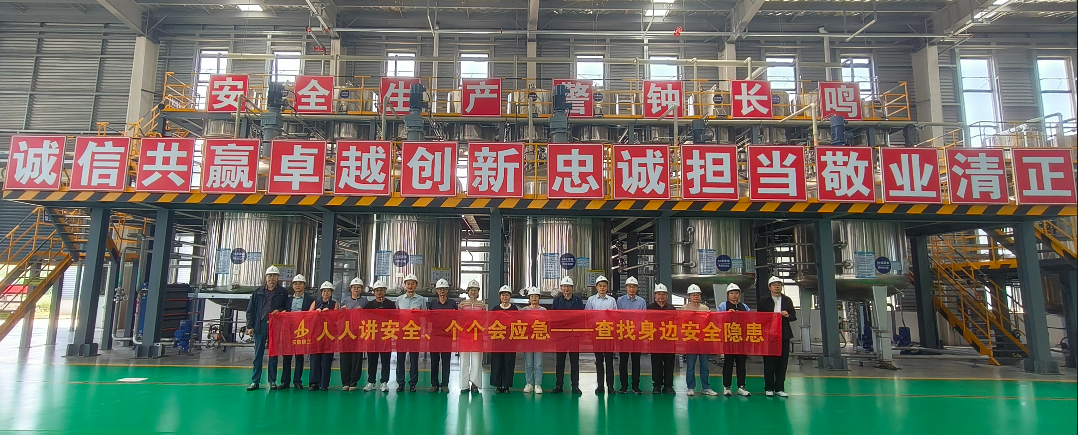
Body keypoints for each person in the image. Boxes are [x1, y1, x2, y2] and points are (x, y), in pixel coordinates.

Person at [246, 266, 288, 391]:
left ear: (278, 278)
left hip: (275, 326)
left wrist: (279, 310)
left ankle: (272, 381)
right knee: (258, 354)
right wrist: (250, 326)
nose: (272, 278)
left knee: (273, 355)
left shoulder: (282, 292)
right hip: (260, 325)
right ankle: (255, 381)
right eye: (270, 276)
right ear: (266, 277)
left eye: (274, 276)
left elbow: (286, 307)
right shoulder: (257, 292)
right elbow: (250, 310)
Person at [758, 276, 796, 398]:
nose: (777, 286)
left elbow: (793, 316)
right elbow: (759, 317)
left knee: (782, 362)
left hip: (784, 334)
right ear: (770, 287)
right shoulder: (764, 300)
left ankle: (779, 388)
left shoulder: (787, 300)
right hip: (769, 335)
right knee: (769, 362)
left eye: (779, 284)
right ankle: (769, 388)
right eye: (774, 285)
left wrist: (787, 315)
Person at [681, 284, 719, 397]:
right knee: (690, 366)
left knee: (704, 366)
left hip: (703, 341)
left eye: (697, 294)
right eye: (693, 294)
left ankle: (706, 387)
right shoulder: (684, 308)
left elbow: (710, 323)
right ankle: (690, 387)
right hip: (691, 340)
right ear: (689, 296)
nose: (696, 296)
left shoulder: (705, 309)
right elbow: (681, 323)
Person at [279, 274, 314, 390]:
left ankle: (297, 381)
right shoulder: (288, 300)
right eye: (295, 284)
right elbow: (282, 310)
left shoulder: (310, 300)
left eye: (300, 283)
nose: (298, 285)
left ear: (304, 285)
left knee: (299, 356)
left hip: (302, 331)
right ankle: (285, 381)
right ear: (293, 286)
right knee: (287, 356)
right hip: (288, 330)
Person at [585, 275, 618, 394]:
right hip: (597, 334)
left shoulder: (612, 300)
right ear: (596, 287)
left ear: (607, 287)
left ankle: (610, 385)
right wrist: (590, 331)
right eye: (600, 286)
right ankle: (600, 386)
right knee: (599, 361)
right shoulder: (591, 300)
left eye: (604, 286)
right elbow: (587, 316)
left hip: (609, 334)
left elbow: (616, 316)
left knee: (609, 361)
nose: (602, 288)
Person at [717, 283, 752, 397]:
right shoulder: (723, 306)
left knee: (741, 364)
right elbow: (717, 320)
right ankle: (727, 386)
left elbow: (751, 320)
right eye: (731, 293)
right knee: (728, 363)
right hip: (729, 339)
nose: (734, 295)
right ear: (728, 295)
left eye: (736, 293)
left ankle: (741, 386)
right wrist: (727, 315)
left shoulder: (744, 306)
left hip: (741, 340)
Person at [551, 276, 584, 394]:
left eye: (568, 286)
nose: (566, 289)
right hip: (561, 336)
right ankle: (559, 385)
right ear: (561, 288)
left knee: (574, 362)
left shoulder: (578, 301)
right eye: (564, 286)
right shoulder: (557, 301)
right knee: (560, 362)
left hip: (574, 336)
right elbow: (553, 318)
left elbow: (582, 317)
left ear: (572, 288)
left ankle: (575, 385)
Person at [395, 273, 427, 393]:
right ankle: (400, 383)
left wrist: (419, 313)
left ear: (416, 285)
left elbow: (425, 316)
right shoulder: (399, 300)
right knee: (400, 359)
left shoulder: (421, 300)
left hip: (414, 332)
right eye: (408, 283)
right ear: (405, 285)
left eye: (412, 283)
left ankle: (413, 383)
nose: (410, 286)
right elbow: (395, 316)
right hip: (402, 333)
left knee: (414, 359)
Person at [363, 280, 395, 393]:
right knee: (372, 359)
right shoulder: (369, 305)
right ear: (374, 292)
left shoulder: (391, 305)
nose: (379, 292)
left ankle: (384, 382)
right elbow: (363, 318)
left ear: (385, 291)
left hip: (386, 336)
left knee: (385, 360)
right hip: (373, 336)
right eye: (377, 290)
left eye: (381, 290)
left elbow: (395, 318)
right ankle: (371, 381)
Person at [615, 276, 646, 394]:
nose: (631, 289)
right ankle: (624, 385)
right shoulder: (620, 301)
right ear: (626, 288)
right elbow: (619, 316)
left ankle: (635, 385)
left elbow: (643, 318)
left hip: (637, 335)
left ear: (637, 288)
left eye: (634, 287)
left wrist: (636, 328)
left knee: (636, 360)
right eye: (629, 287)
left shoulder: (641, 301)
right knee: (623, 360)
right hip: (624, 334)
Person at [427, 278, 458, 393]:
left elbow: (457, 317)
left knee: (446, 361)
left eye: (444, 289)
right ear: (437, 290)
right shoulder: (432, 304)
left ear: (447, 290)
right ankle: (434, 384)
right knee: (434, 361)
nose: (442, 291)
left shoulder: (452, 303)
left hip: (447, 336)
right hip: (435, 335)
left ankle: (445, 384)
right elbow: (428, 318)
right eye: (440, 289)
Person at [308, 281, 339, 391]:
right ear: (321, 292)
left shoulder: (334, 304)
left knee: (326, 360)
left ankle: (324, 383)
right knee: (315, 359)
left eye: (328, 291)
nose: (326, 293)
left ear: (331, 293)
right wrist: (316, 312)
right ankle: (314, 383)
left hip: (328, 335)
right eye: (324, 291)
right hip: (316, 335)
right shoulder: (315, 303)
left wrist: (329, 313)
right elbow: (308, 316)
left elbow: (337, 317)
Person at [458, 279, 487, 393]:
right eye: (471, 290)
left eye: (475, 290)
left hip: (477, 336)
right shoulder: (462, 304)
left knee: (477, 359)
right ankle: (464, 385)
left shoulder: (482, 305)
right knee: (464, 360)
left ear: (478, 291)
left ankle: (475, 384)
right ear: (468, 291)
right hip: (465, 335)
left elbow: (485, 319)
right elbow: (458, 319)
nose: (473, 292)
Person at [489, 285, 519, 393]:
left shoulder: (514, 309)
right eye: (503, 295)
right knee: (497, 362)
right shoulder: (495, 309)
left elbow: (517, 323)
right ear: (500, 296)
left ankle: (506, 386)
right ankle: (498, 385)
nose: (504, 297)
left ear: (510, 296)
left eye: (506, 295)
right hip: (497, 339)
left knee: (509, 362)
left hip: (510, 340)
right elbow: (491, 323)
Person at [648, 283, 675, 395]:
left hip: (669, 340)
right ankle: (657, 385)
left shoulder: (672, 308)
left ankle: (668, 386)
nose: (661, 296)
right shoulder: (650, 308)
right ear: (655, 295)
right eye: (659, 294)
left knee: (669, 363)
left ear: (667, 296)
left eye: (663, 294)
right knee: (656, 363)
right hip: (655, 340)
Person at [339, 277, 366, 391]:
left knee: (356, 358)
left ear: (361, 289)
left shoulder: (364, 301)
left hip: (358, 332)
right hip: (345, 332)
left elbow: (369, 317)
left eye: (358, 287)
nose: (356, 289)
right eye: (354, 287)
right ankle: (345, 382)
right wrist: (342, 311)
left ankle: (353, 382)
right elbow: (338, 316)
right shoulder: (344, 300)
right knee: (345, 357)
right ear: (350, 288)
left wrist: (362, 312)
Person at [519, 287, 545, 394]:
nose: (534, 298)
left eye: (536, 296)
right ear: (529, 298)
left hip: (539, 340)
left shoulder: (543, 311)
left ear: (539, 298)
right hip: (528, 340)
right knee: (528, 363)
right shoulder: (524, 310)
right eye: (532, 296)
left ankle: (538, 384)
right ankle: (529, 383)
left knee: (538, 363)